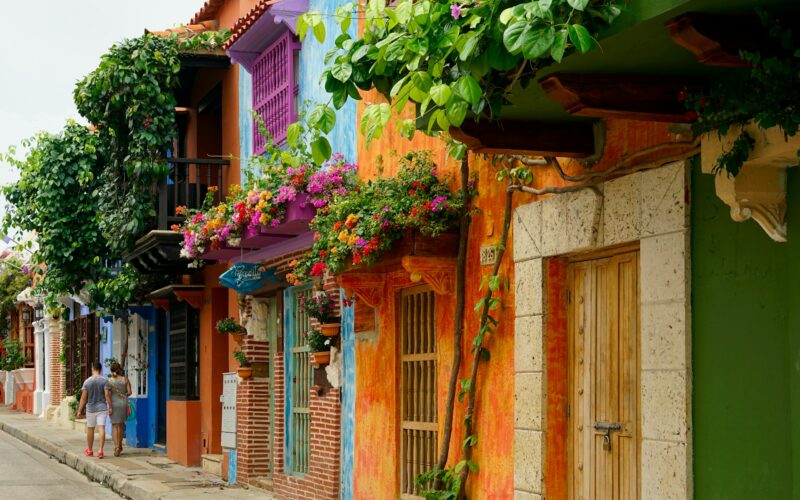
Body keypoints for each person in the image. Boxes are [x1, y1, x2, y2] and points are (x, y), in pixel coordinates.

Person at [76, 361, 112, 459]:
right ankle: (100, 450)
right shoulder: (104, 381)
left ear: (92, 369)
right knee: (101, 428)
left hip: (91, 409)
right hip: (102, 408)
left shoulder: (87, 381)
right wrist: (110, 406)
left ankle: (90, 450)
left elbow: (83, 398)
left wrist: (79, 410)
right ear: (100, 370)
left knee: (90, 429)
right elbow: (107, 395)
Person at [106, 361, 131, 457]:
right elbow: (129, 392)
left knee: (115, 426)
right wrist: (122, 394)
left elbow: (107, 394)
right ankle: (120, 446)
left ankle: (116, 447)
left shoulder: (109, 381)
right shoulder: (125, 379)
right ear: (119, 369)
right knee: (121, 425)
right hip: (123, 403)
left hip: (114, 404)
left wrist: (110, 405)